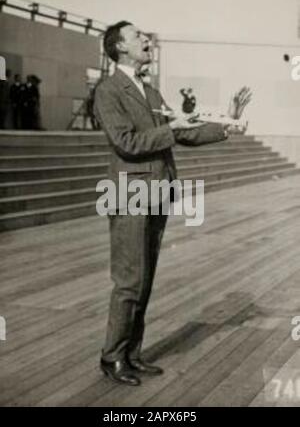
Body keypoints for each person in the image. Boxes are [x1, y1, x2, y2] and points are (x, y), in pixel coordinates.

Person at [94, 21, 251, 387]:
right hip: (129, 192)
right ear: (119, 47)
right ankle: (112, 356)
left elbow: (185, 133)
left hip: (156, 191)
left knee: (144, 278)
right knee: (130, 280)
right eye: (137, 37)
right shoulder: (108, 90)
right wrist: (173, 126)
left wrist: (227, 123)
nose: (146, 40)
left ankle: (132, 353)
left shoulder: (147, 91)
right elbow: (127, 142)